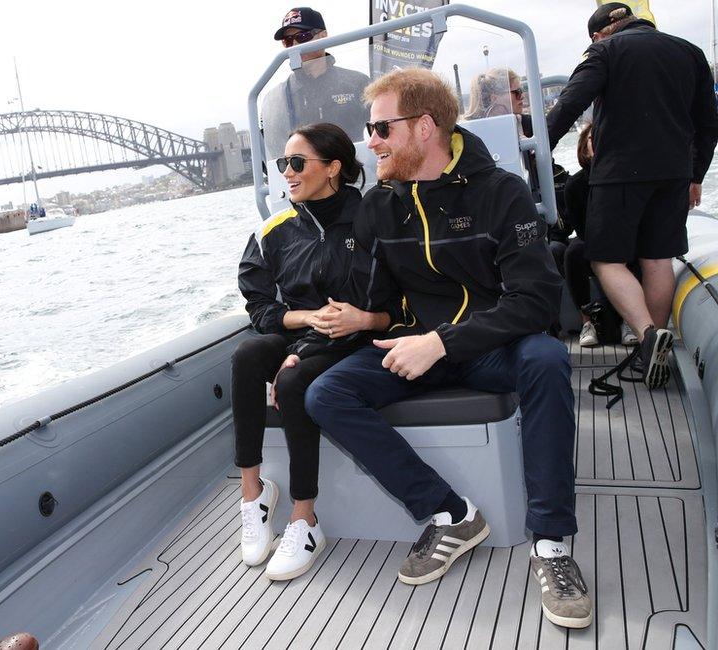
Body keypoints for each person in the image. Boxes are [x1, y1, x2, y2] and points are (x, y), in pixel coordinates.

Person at [305, 68, 592, 629]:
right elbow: (373, 305)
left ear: (425, 127)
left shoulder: (501, 193)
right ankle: (449, 512)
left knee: (547, 358)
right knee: (325, 393)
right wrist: (307, 348)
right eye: (369, 129)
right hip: (415, 346)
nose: (371, 141)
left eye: (381, 128)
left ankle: (552, 545)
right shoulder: (379, 207)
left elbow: (534, 302)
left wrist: (440, 342)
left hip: (489, 348)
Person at [235, 122, 396, 581]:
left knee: (292, 378)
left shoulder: (373, 219)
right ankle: (253, 494)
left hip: (357, 336)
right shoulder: (276, 230)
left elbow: (396, 303)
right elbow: (261, 307)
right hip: (306, 329)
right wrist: (305, 323)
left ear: (334, 169)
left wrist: (348, 324)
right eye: (283, 163)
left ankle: (304, 517)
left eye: (298, 162)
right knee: (247, 356)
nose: (287, 172)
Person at [547, 2, 718, 388]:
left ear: (598, 34)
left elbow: (570, 104)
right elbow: (709, 124)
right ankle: (650, 352)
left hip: (619, 173)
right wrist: (695, 175)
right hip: (674, 174)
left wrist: (541, 148)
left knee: (606, 259)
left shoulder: (604, 52)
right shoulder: (690, 52)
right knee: (657, 258)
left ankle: (646, 335)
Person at [563, 122, 638, 348]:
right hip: (591, 241)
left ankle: (629, 320)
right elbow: (579, 226)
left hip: (623, 240)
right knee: (573, 252)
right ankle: (588, 322)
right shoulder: (575, 185)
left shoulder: (628, 179)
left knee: (637, 248)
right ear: (585, 148)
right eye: (594, 140)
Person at [261, 7, 371, 159]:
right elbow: (276, 155)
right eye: (287, 41)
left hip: (355, 174)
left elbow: (382, 132)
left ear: (323, 36)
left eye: (303, 36)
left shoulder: (358, 82)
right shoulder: (276, 98)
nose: (295, 45)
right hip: (307, 180)